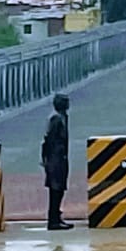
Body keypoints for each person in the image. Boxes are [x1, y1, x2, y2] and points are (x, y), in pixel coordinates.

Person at [41, 93, 73, 231]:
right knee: (56, 188)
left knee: (59, 188)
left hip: (60, 157)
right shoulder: (56, 118)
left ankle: (56, 217)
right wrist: (46, 159)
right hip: (55, 158)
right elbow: (48, 139)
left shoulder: (62, 117)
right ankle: (53, 220)